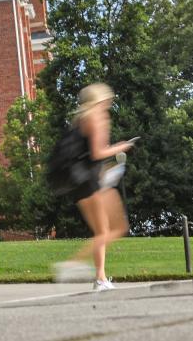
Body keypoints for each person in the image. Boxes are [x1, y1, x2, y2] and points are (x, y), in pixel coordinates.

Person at [52, 83, 135, 291]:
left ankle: (100, 278)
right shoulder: (98, 117)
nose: (110, 102)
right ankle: (73, 264)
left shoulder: (80, 119)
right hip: (90, 180)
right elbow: (98, 153)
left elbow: (86, 153)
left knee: (103, 230)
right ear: (101, 99)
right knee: (115, 228)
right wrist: (121, 147)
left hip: (78, 181)